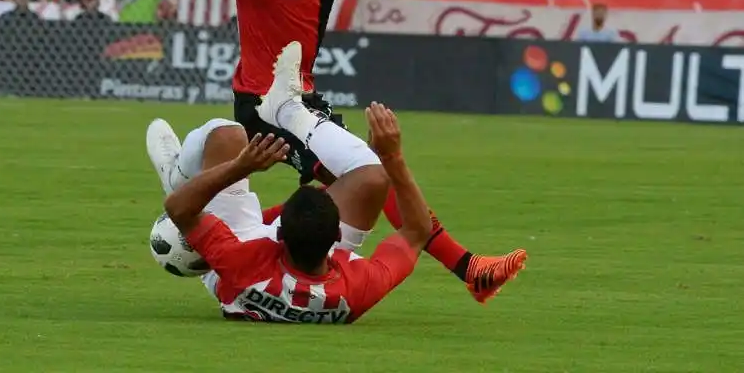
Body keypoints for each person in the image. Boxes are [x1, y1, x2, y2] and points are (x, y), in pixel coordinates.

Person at [99, 0, 490, 292]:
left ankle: (199, 202)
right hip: (264, 103)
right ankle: (467, 268)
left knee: (349, 185)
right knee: (367, 177)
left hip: (301, 99)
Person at [151, 103, 526, 323]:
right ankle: (291, 109)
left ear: (278, 234)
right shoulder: (357, 288)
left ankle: (178, 173)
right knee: (371, 178)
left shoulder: (238, 260)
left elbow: (179, 208)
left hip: (246, 264)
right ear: (337, 243)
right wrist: (391, 157)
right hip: (284, 270)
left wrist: (241, 167)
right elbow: (416, 231)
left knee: (226, 133)